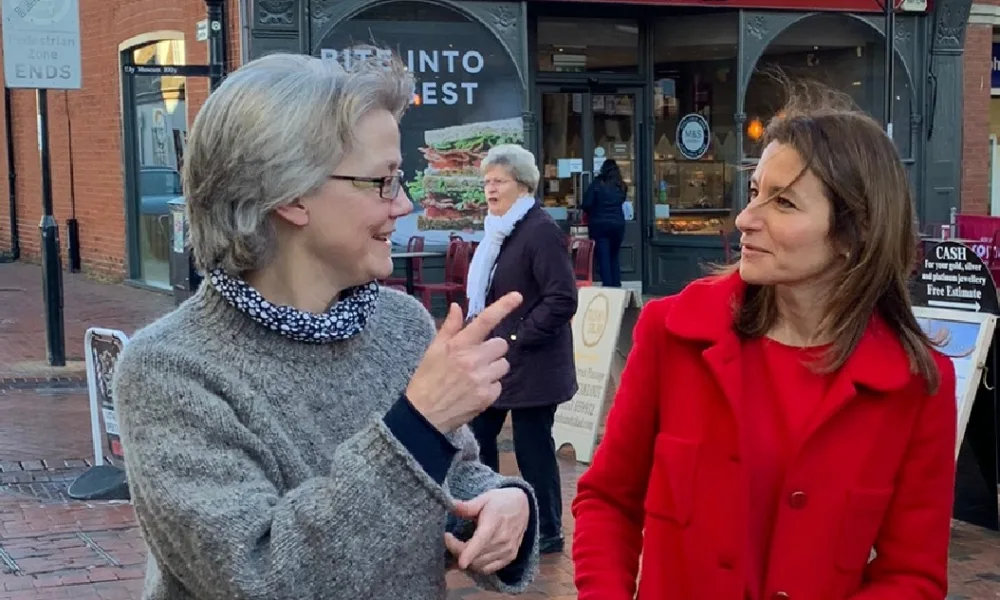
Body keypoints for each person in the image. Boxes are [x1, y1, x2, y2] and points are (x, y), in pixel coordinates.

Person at [111, 51, 540, 600]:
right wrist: (419, 425)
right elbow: (261, 578)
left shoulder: (399, 325)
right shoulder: (170, 370)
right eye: (383, 182)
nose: (404, 204)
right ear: (290, 195)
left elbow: (448, 482)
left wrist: (504, 506)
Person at [571, 85, 958, 600]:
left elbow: (913, 575)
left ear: (852, 235)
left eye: (785, 203)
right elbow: (607, 500)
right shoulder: (675, 333)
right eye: (755, 192)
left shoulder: (913, 383)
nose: (746, 219)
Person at [466, 144, 578, 555]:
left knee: (533, 448)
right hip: (498, 361)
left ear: (523, 185)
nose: (489, 190)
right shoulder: (500, 229)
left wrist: (517, 337)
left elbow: (562, 298)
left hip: (533, 364)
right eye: (486, 182)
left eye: (498, 182)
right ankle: (488, 513)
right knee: (477, 437)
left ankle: (548, 530)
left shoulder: (539, 229)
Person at [581, 159, 627, 287]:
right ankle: (617, 285)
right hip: (618, 225)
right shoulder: (621, 185)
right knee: (614, 256)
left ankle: (608, 288)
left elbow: (586, 204)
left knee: (604, 258)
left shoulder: (597, 184)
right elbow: (622, 200)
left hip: (600, 225)